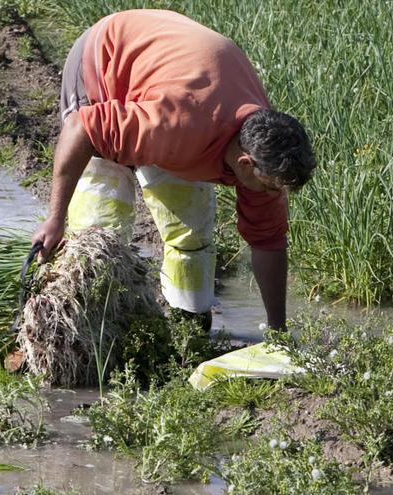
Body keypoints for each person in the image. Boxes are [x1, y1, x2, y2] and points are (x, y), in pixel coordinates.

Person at [31, 9, 315, 332]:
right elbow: (80, 130)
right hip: (102, 68)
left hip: (167, 90)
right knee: (102, 235)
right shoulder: (179, 125)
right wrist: (55, 219)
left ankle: (188, 329)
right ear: (245, 164)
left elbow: (269, 241)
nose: (272, 196)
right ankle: (93, 335)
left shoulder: (262, 148)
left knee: (191, 230)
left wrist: (278, 332)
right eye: (268, 188)